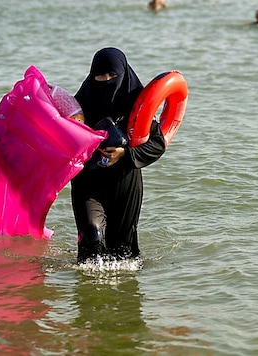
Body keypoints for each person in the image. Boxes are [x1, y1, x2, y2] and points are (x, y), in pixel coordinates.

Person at [71, 47, 166, 263]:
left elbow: (157, 144)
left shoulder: (138, 106)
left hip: (125, 183)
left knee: (122, 253)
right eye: (100, 75)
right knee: (90, 238)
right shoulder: (79, 105)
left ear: (123, 74)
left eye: (112, 76)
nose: (106, 81)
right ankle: (87, 291)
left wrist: (125, 154)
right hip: (88, 182)